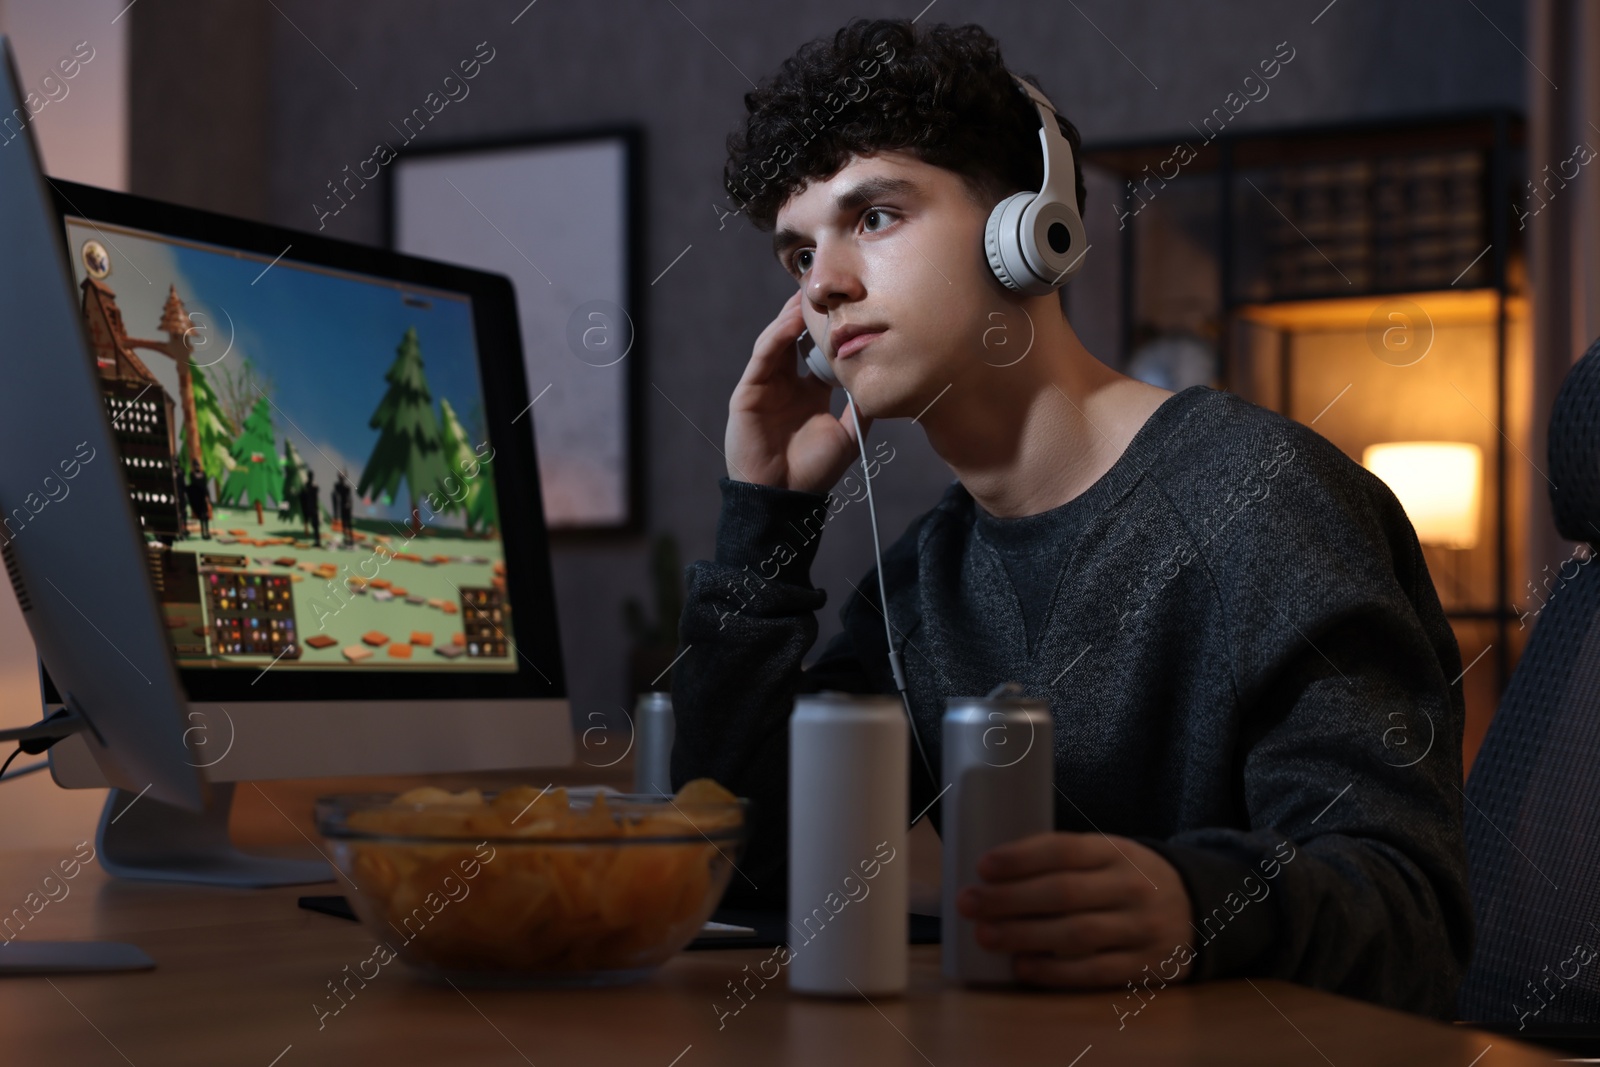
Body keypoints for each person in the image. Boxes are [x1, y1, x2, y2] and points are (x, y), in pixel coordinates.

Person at [670, 18, 1472, 1018]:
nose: (822, 285)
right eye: (797, 254)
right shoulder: (928, 579)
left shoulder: (1266, 499)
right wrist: (766, 522)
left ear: (1030, 232)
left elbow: (1414, 916)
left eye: (873, 215)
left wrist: (1197, 903)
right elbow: (736, 869)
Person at [185, 464, 211, 540]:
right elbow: (193, 484)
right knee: (201, 517)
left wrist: (207, 497)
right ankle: (203, 533)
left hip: (203, 497)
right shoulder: (192, 474)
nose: (197, 468)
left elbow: (205, 485)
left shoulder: (203, 474)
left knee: (205, 516)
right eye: (195, 466)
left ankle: (207, 532)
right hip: (197, 498)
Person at [301, 469, 321, 547]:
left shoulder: (313, 487)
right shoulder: (308, 486)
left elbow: (314, 497)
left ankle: (317, 542)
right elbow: (303, 496)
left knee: (315, 526)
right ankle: (313, 540)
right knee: (310, 525)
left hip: (313, 509)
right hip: (309, 508)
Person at [333, 471, 354, 546]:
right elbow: (335, 496)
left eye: (342, 477)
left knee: (348, 523)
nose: (341, 479)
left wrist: (348, 505)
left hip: (346, 507)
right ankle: (346, 538)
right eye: (340, 477)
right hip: (342, 506)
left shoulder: (347, 487)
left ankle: (351, 539)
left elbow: (349, 498)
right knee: (344, 524)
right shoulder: (337, 486)